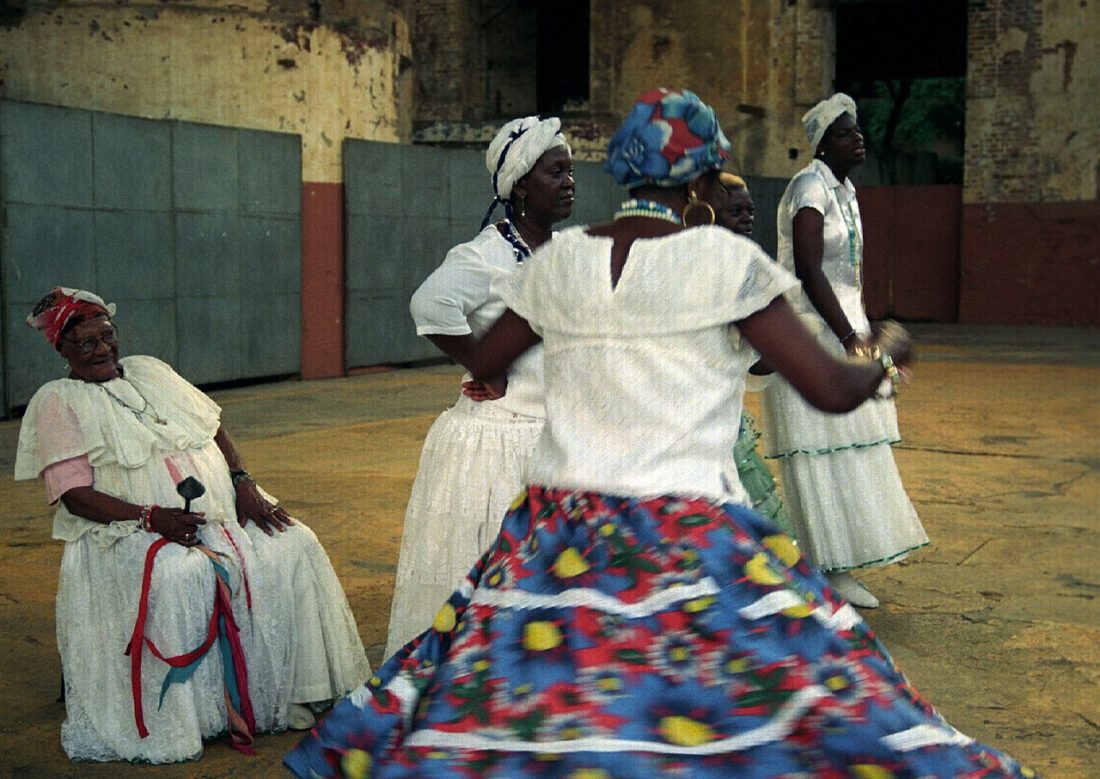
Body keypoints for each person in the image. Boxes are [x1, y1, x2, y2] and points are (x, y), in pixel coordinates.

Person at [286, 89, 1029, 777]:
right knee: (772, 698)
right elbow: (833, 388)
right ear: (702, 180)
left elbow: (483, 356)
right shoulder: (721, 261)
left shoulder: (562, 260)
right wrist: (887, 355)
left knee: (532, 710)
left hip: (555, 533)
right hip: (686, 532)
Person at [15, 287, 370, 763]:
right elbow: (74, 496)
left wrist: (243, 481)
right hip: (129, 531)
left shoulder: (151, 371)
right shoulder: (57, 401)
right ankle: (203, 718)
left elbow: (213, 425)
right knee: (183, 576)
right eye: (87, 344)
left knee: (294, 542)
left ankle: (294, 692)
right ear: (63, 349)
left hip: (219, 516)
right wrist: (150, 517)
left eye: (107, 336)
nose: (103, 349)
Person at [383, 116, 575, 659]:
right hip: (499, 439)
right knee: (495, 575)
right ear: (519, 186)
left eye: (570, 171)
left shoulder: (558, 253)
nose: (568, 182)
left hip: (551, 435)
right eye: (554, 172)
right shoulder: (486, 254)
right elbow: (430, 304)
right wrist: (482, 364)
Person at [760, 93, 929, 608]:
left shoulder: (846, 190)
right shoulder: (810, 187)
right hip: (814, 333)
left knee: (850, 452)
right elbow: (809, 269)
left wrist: (865, 323)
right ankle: (823, 568)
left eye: (857, 131)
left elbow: (844, 274)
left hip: (846, 325)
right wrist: (849, 337)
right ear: (822, 144)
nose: (857, 139)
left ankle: (839, 565)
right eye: (844, 133)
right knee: (821, 455)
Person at [714, 172, 792, 535]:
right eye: (735, 211)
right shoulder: (713, 271)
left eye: (750, 210)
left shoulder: (746, 268)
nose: (747, 218)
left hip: (729, 411)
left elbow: (758, 362)